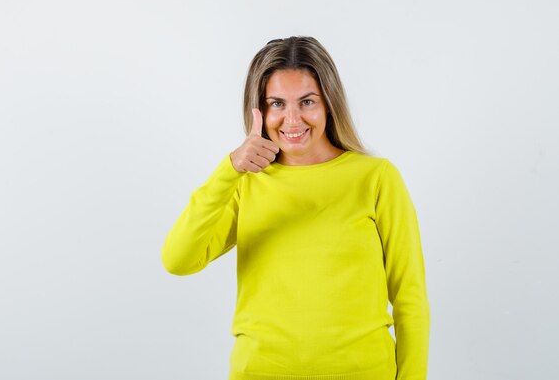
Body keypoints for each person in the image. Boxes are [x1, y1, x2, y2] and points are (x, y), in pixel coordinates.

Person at [161, 36, 430, 380]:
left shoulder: (376, 178)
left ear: (329, 104)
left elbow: (410, 299)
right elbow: (178, 259)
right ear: (259, 109)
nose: (292, 119)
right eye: (276, 103)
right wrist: (229, 169)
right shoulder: (245, 182)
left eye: (306, 102)